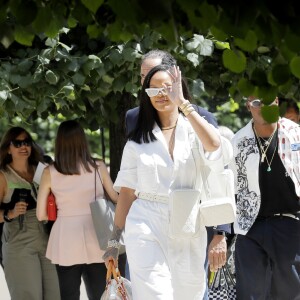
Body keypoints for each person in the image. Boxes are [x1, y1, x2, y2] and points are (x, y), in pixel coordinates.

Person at [103, 64, 233, 299]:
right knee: (156, 295)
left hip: (188, 222)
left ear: (179, 88)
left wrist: (183, 103)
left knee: (189, 294)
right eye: (153, 90)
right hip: (145, 223)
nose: (161, 95)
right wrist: (114, 239)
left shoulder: (195, 130)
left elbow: (215, 145)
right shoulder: (136, 142)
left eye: (167, 88)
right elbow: (127, 192)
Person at [36, 120, 125, 300]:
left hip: (65, 238)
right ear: (82, 140)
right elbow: (116, 198)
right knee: (100, 294)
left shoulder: (49, 172)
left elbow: (41, 215)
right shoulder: (98, 166)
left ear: (59, 142)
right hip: (97, 234)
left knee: (68, 295)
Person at [230, 96, 300, 299]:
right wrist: (222, 233)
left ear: (276, 102)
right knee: (250, 293)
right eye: (256, 103)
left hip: (291, 222)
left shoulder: (295, 134)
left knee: (292, 292)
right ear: (248, 106)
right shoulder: (239, 141)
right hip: (251, 225)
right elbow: (232, 188)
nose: (262, 107)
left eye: (266, 101)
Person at [0, 126, 60, 300]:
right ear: (8, 148)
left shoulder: (41, 170)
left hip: (47, 239)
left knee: (55, 294)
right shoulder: (3, 176)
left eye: (26, 142)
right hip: (18, 242)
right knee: (28, 296)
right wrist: (9, 213)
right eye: (17, 143)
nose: (23, 146)